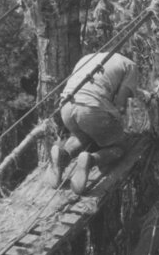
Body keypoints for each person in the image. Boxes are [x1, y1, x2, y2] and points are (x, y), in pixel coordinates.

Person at [49, 52, 141, 194]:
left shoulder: (87, 58)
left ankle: (63, 155)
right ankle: (90, 160)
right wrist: (118, 127)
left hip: (66, 106)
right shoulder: (130, 65)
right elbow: (121, 105)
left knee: (85, 136)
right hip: (91, 108)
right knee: (120, 146)